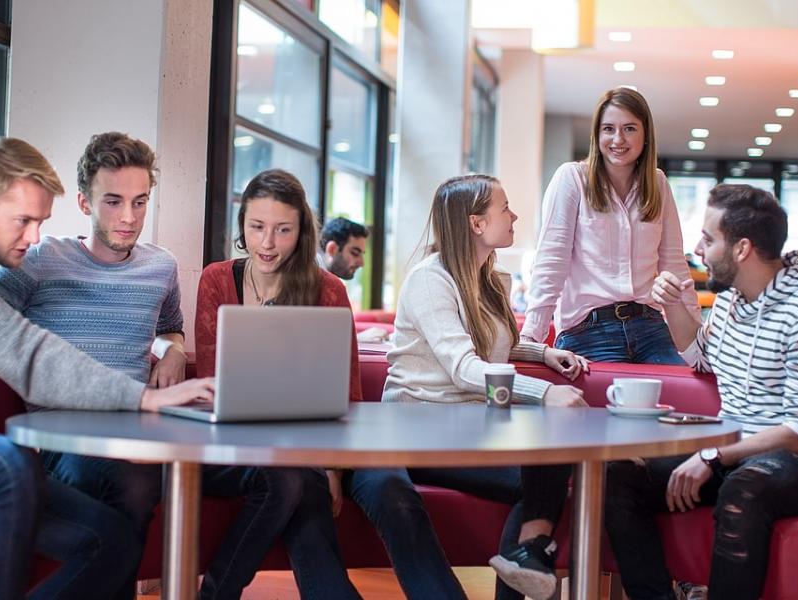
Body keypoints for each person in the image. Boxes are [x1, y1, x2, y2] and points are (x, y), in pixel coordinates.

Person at [0, 137, 214, 600]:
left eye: (40, 222)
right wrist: (144, 396)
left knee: (113, 542)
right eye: (23, 221)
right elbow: (24, 349)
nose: (34, 237)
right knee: (7, 462)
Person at [340, 174, 588, 600]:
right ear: (476, 223)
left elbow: (493, 347)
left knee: (552, 449)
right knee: (543, 450)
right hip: (416, 427)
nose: (514, 216)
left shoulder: (490, 280)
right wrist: (545, 392)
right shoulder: (429, 280)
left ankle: (527, 553)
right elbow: (463, 368)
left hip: (470, 424)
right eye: (504, 208)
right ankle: (529, 553)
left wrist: (541, 354)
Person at [605, 184, 798, 600]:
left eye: (709, 239)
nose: (699, 247)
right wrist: (671, 304)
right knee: (620, 475)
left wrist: (711, 455)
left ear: (742, 248)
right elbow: (699, 356)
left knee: (744, 487)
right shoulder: (730, 304)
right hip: (736, 454)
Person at [0, 131, 185, 598]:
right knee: (135, 484)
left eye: (140, 202)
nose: (129, 217)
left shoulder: (161, 266)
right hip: (63, 436)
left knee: (267, 477)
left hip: (138, 427)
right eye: (114, 202)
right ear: (83, 202)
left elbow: (172, 326)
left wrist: (173, 350)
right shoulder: (41, 259)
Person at [195, 169, 359, 600]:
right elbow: (211, 381)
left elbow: (349, 391)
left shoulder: (328, 290)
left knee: (297, 479)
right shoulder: (216, 278)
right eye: (257, 228)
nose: (267, 244)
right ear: (242, 225)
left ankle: (216, 592)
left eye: (283, 230)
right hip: (226, 450)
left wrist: (333, 467)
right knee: (294, 479)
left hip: (299, 454)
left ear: (301, 230)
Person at [521, 87, 699, 364]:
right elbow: (551, 261)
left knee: (683, 399)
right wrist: (531, 337)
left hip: (650, 327)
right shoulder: (573, 178)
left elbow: (674, 264)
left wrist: (695, 338)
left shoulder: (659, 184)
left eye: (629, 128)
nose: (618, 139)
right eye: (608, 129)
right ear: (597, 134)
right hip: (588, 330)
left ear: (645, 135)